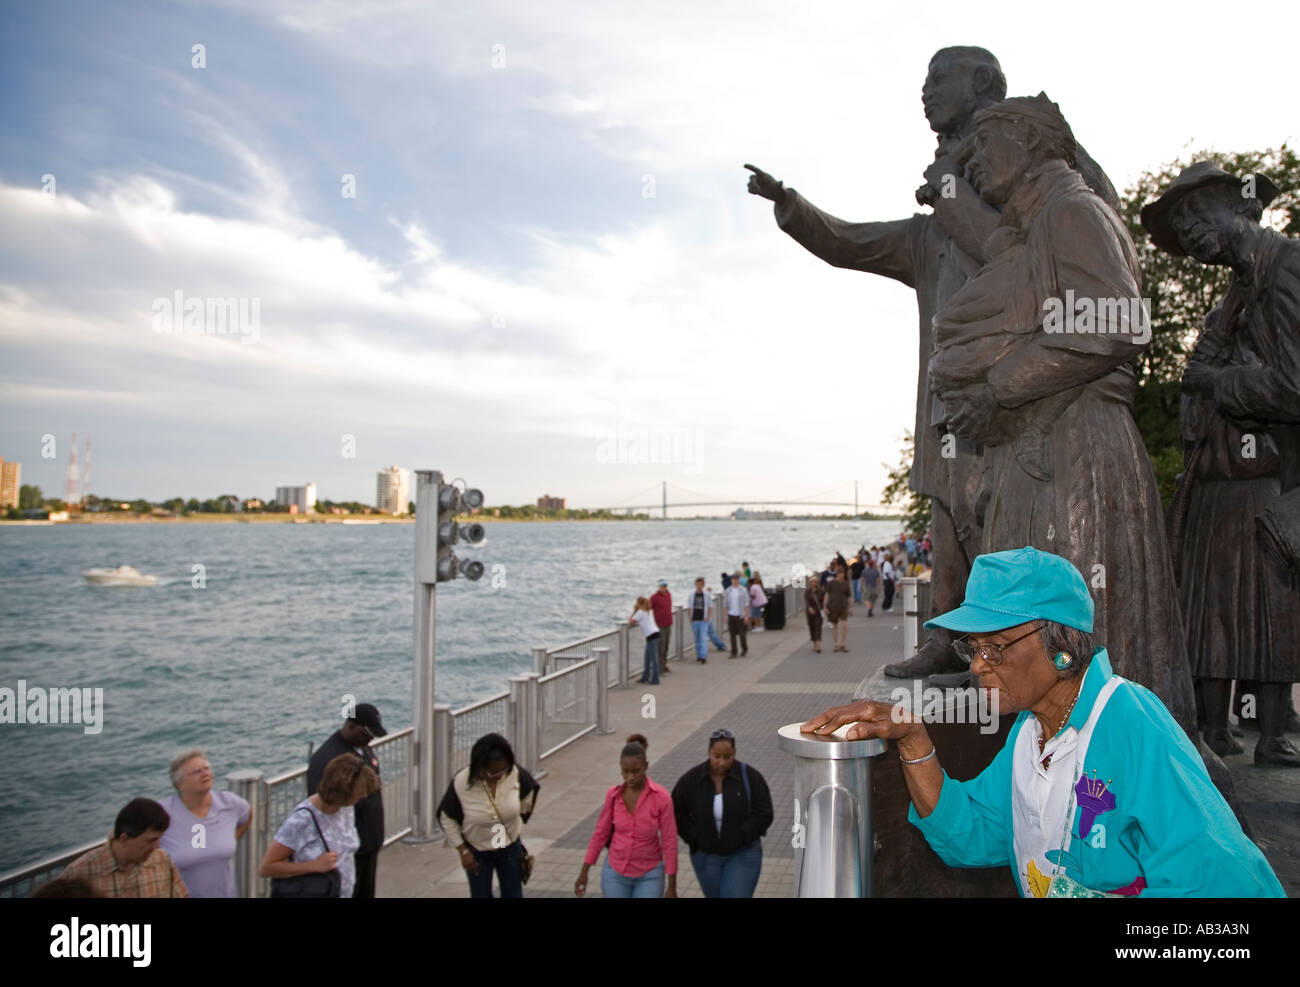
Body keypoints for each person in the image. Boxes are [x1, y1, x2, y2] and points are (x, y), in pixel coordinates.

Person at [801, 547, 1284, 897]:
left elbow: (1230, 883)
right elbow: (971, 836)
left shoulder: (1132, 722)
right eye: (972, 647)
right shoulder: (1030, 732)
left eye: (996, 646)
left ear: (1060, 648)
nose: (975, 664)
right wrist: (913, 736)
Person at [1141, 161, 1300, 766]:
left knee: (1271, 608)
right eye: (1181, 231)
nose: (1190, 239)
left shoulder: (1286, 267)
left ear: (1235, 206)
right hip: (1223, 476)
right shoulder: (1236, 295)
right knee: (1218, 612)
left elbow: (1293, 386)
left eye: (1194, 219)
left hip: (1269, 481)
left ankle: (1270, 730)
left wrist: (1216, 380)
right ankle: (1219, 728)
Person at [671, 729, 774, 898]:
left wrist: (743, 835)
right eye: (716, 756)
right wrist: (695, 837)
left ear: (734, 753)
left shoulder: (749, 776)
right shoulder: (692, 780)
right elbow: (676, 811)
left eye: (727, 756)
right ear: (709, 753)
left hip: (742, 855)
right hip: (705, 858)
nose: (722, 762)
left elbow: (764, 812)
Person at [261, 753, 380, 898]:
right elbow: (267, 867)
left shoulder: (346, 808)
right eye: (359, 794)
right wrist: (314, 865)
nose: (363, 797)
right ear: (342, 794)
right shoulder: (301, 821)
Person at [437, 733, 540, 898]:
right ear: (480, 767)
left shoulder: (515, 773)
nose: (498, 776)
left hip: (508, 846)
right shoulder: (461, 782)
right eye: (492, 774)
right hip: (477, 850)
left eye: (502, 771)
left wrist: (515, 818)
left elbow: (529, 794)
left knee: (513, 893)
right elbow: (447, 818)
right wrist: (463, 851)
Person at [575, 736, 677, 898]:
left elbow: (669, 841)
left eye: (636, 771)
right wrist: (584, 872)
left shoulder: (661, 797)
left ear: (646, 767)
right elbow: (600, 834)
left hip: (649, 875)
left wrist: (672, 886)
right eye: (625, 771)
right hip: (615, 874)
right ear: (621, 769)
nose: (630, 777)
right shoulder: (613, 796)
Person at [306, 702, 386, 897]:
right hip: (345, 848)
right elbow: (322, 803)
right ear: (350, 726)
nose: (370, 739)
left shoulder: (363, 747)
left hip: (368, 841)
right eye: (367, 734)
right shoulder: (327, 758)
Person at [158, 747, 251, 898]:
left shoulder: (229, 803)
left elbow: (247, 815)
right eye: (196, 772)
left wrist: (231, 838)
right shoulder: (162, 813)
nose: (205, 774)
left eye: (206, 768)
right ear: (179, 784)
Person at [62, 798, 189, 897]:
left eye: (158, 839)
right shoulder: (79, 873)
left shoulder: (162, 860)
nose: (156, 847)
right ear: (124, 839)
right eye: (150, 840)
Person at [631, 596, 661, 684]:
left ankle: (655, 679)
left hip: (651, 635)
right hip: (655, 633)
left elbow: (631, 621)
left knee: (653, 659)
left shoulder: (640, 612)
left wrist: (634, 610)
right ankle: (645, 677)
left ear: (638, 603)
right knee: (647, 658)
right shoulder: (649, 611)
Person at [687, 577, 715, 662]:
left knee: (703, 638)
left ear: (703, 585)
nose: (699, 586)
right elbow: (689, 607)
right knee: (697, 639)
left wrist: (708, 616)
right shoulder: (692, 594)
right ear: (695, 585)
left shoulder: (706, 594)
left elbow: (710, 606)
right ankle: (699, 655)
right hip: (695, 619)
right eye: (697, 584)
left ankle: (703, 656)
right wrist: (690, 618)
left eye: (700, 584)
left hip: (703, 620)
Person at [824, 565, 852, 652]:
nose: (842, 575)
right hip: (833, 607)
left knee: (844, 625)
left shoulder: (845, 584)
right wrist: (825, 607)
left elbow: (849, 597)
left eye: (843, 573)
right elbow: (826, 595)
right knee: (835, 626)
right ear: (837, 574)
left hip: (843, 607)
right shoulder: (831, 584)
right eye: (840, 573)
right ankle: (836, 644)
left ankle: (843, 643)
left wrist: (850, 607)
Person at [651, 580, 674, 675]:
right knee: (660, 646)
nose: (663, 588)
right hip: (659, 625)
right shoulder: (654, 597)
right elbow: (648, 607)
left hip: (668, 624)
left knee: (666, 646)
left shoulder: (668, 595)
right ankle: (658, 668)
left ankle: (664, 665)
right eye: (661, 586)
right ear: (659, 587)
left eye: (665, 586)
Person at [724, 573, 748, 658]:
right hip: (731, 614)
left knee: (742, 634)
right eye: (733, 579)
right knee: (732, 634)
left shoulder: (743, 590)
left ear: (738, 580)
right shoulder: (728, 591)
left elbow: (746, 603)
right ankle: (733, 652)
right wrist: (725, 615)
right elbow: (725, 604)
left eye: (736, 579)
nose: (735, 581)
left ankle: (744, 649)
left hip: (740, 615)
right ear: (731, 580)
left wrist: (746, 615)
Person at [804, 577, 824, 653]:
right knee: (812, 627)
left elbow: (823, 601)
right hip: (810, 613)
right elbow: (806, 601)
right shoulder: (807, 592)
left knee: (818, 627)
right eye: (812, 582)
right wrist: (809, 608)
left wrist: (822, 608)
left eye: (815, 582)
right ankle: (814, 644)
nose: (813, 583)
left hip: (818, 613)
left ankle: (818, 645)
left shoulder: (821, 591)